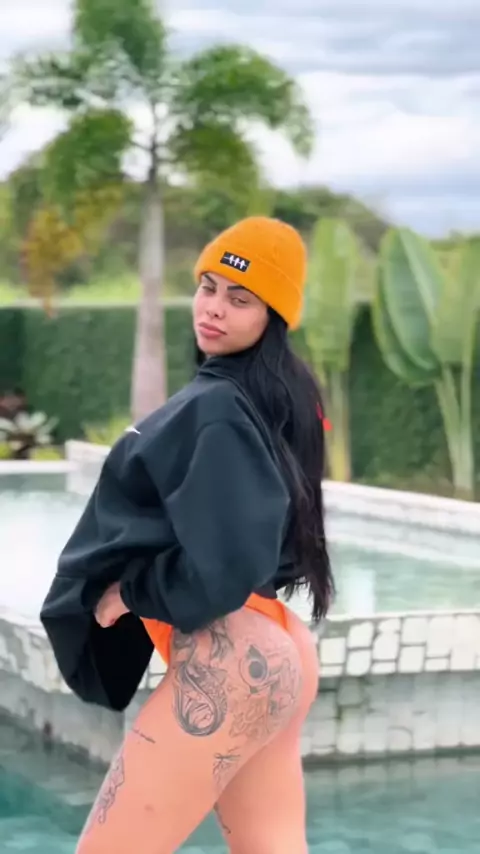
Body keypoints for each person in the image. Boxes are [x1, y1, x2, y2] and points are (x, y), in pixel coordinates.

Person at [40, 216, 334, 853]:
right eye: (208, 287)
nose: (214, 308)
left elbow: (230, 560)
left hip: (228, 661)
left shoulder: (217, 407)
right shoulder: (276, 397)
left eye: (240, 299)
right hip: (279, 650)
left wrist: (132, 592)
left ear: (273, 315)